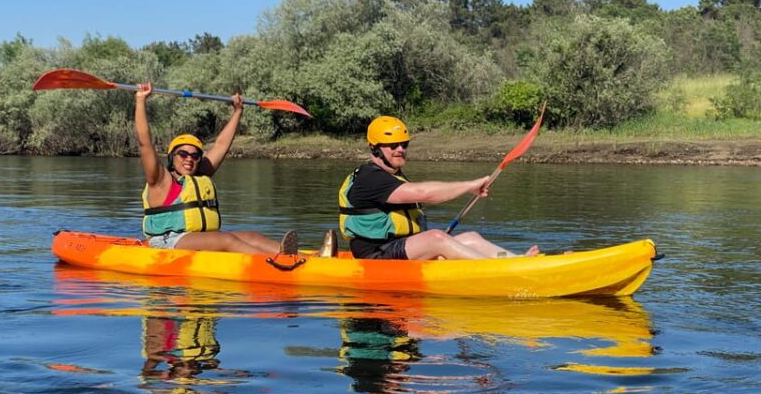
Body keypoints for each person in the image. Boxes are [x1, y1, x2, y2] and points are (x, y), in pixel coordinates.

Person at [338, 116, 540, 260]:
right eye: (393, 145)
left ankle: (517, 261)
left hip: (400, 250)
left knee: (471, 238)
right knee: (437, 238)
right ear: (375, 148)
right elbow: (424, 193)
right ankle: (501, 273)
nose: (400, 149)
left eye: (404, 144)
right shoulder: (369, 178)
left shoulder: (393, 175)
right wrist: (470, 186)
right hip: (376, 256)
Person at [135, 82, 298, 254]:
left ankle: (309, 259)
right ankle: (277, 265)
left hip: (199, 238)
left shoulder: (201, 173)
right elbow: (144, 143)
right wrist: (140, 101)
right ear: (172, 158)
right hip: (167, 241)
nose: (189, 159)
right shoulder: (160, 180)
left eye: (195, 155)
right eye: (183, 154)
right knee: (226, 239)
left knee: (252, 237)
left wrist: (237, 111)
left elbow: (220, 145)